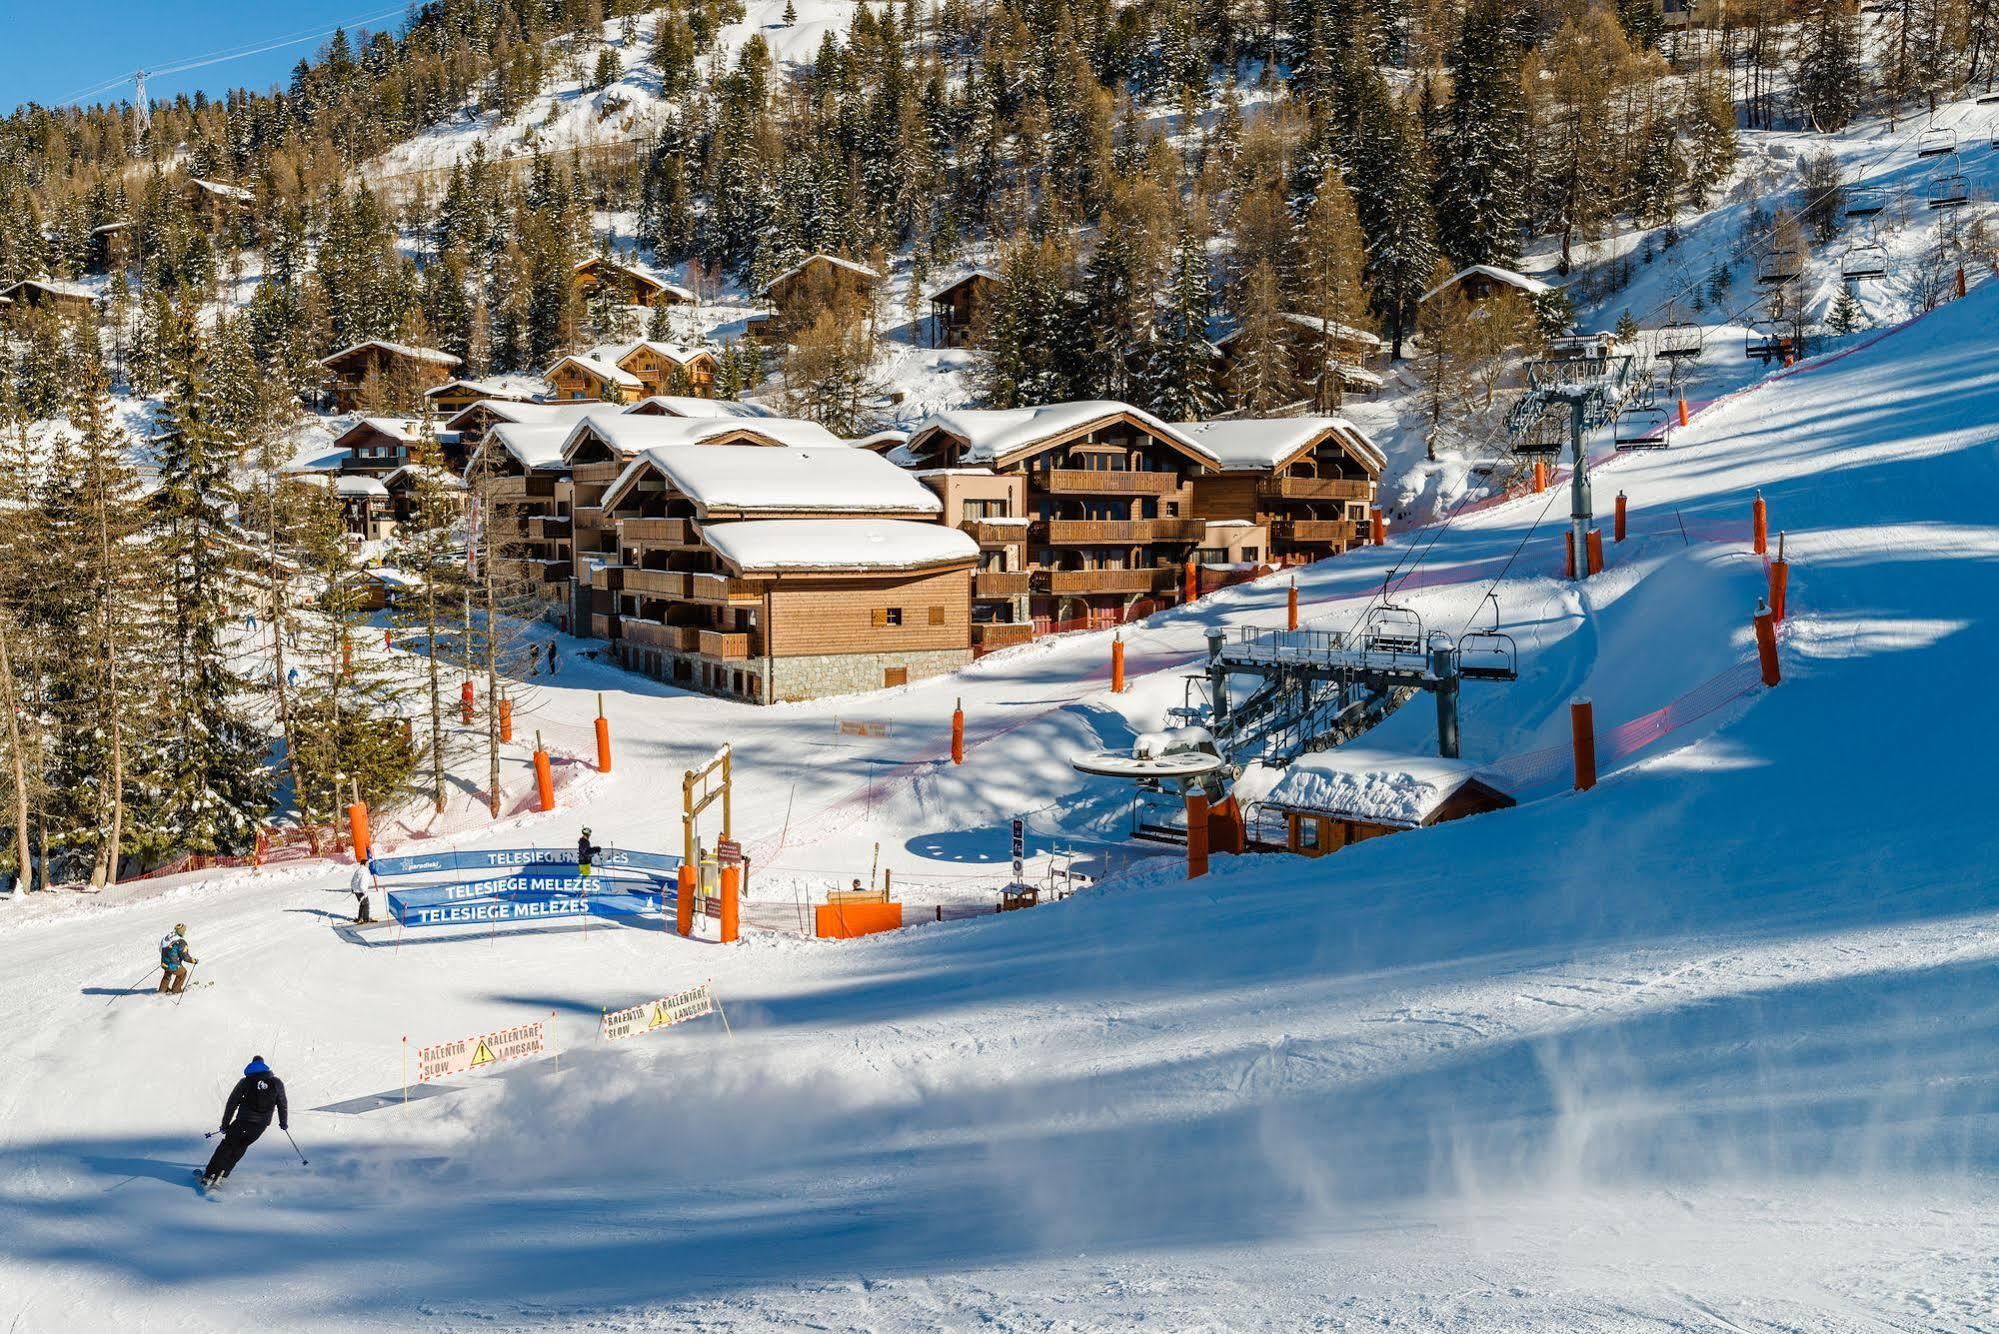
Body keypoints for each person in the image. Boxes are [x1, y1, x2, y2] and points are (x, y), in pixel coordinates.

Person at [202, 1056, 288, 1188]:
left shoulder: (245, 1082)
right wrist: (283, 1122)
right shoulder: (276, 1082)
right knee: (241, 1147)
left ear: (252, 1065)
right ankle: (223, 1174)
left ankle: (209, 1175)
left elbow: (232, 1103)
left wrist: (225, 1124)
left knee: (227, 1146)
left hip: (242, 1122)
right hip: (260, 1126)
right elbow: (282, 1103)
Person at [158, 924, 197, 995]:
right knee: (182, 973)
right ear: (181, 931)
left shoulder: (166, 937)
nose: (184, 932)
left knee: (167, 973)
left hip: (164, 963)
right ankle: (176, 990)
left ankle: (162, 991)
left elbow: (160, 949)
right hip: (173, 964)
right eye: (184, 931)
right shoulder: (181, 942)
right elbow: (185, 956)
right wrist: (192, 960)